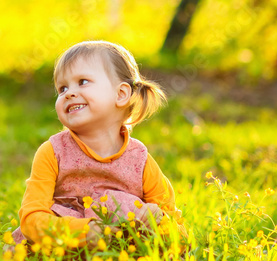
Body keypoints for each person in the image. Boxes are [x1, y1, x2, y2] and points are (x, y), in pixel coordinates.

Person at [15, 40, 184, 246]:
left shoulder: (140, 161)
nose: (69, 93)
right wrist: (83, 232)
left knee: (125, 207)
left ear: (121, 94)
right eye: (62, 88)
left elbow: (179, 231)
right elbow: (31, 218)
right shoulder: (53, 153)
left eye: (83, 81)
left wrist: (157, 219)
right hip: (66, 248)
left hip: (123, 257)